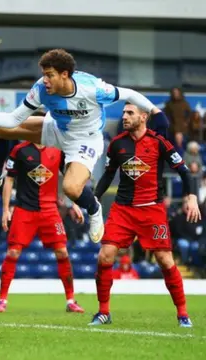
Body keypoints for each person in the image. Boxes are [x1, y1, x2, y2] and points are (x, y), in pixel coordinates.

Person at [0, 48, 166, 243]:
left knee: (71, 188)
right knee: (0, 130)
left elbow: (129, 94)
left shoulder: (92, 88)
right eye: (43, 74)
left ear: (65, 74)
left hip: (85, 140)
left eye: (50, 75)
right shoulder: (41, 89)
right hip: (56, 129)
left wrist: (155, 111)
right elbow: (14, 118)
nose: (45, 80)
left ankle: (94, 209)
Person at [90, 103, 201, 327]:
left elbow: (183, 171)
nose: (124, 116)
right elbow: (107, 176)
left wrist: (191, 196)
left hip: (152, 209)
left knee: (165, 260)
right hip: (123, 210)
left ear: (143, 117)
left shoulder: (159, 142)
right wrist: (92, 199)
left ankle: (182, 314)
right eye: (123, 113)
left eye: (130, 113)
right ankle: (103, 312)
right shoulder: (117, 143)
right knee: (105, 256)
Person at [0, 140, 85, 313]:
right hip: (24, 209)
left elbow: (69, 178)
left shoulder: (58, 150)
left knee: (62, 251)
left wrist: (74, 203)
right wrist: (6, 209)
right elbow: (9, 179)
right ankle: (2, 300)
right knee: (13, 252)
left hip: (50, 210)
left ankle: (71, 301)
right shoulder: (19, 150)